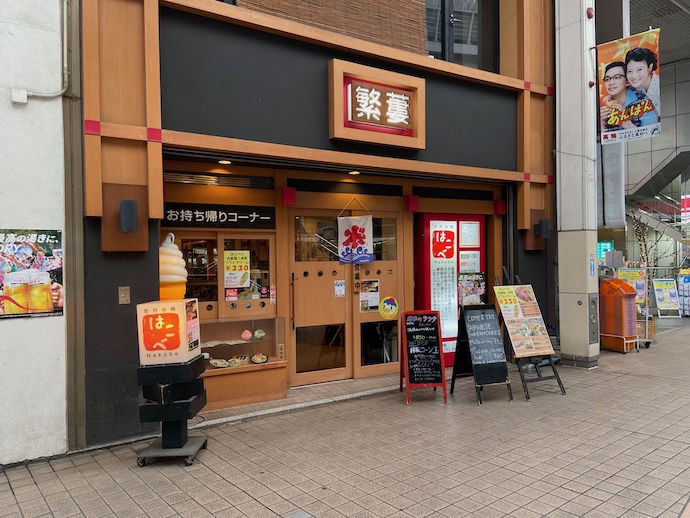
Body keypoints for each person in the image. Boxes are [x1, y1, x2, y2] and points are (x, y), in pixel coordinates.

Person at [600, 61, 658, 132]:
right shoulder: (603, 109)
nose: (611, 83)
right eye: (607, 79)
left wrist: (627, 124)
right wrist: (601, 125)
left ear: (627, 81)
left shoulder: (643, 103)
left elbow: (652, 132)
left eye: (617, 77)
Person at [625, 47, 661, 117]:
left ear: (650, 67)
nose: (634, 76)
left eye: (639, 70)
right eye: (630, 71)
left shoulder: (659, 86)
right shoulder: (638, 85)